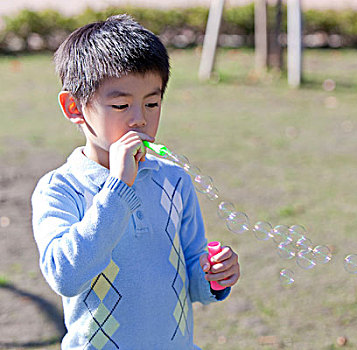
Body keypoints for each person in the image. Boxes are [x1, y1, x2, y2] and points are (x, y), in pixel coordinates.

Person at [31, 14, 240, 349]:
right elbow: (65, 276)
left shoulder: (173, 180)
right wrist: (117, 188)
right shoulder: (60, 189)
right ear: (74, 107)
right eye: (121, 104)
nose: (140, 118)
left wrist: (214, 274)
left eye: (152, 103)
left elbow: (193, 280)